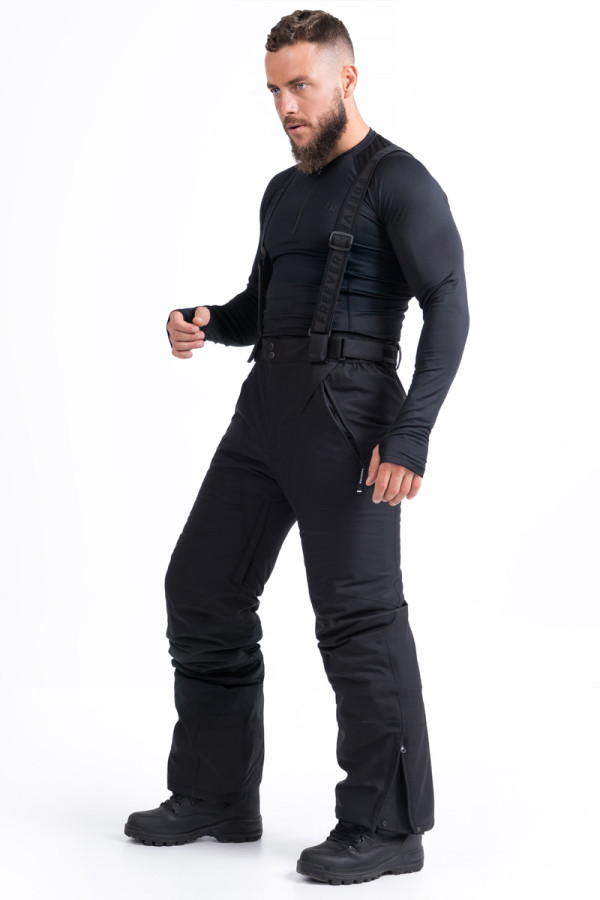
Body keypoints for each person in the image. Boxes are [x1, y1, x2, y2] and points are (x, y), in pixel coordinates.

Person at [124, 8, 469, 886]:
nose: (285, 106)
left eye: (301, 86)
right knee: (201, 587)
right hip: (266, 409)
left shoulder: (399, 180)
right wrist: (207, 320)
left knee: (358, 616)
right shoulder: (283, 191)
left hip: (352, 417)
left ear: (347, 78)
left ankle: (388, 827)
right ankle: (216, 796)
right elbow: (264, 305)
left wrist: (411, 434)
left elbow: (451, 304)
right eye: (274, 90)